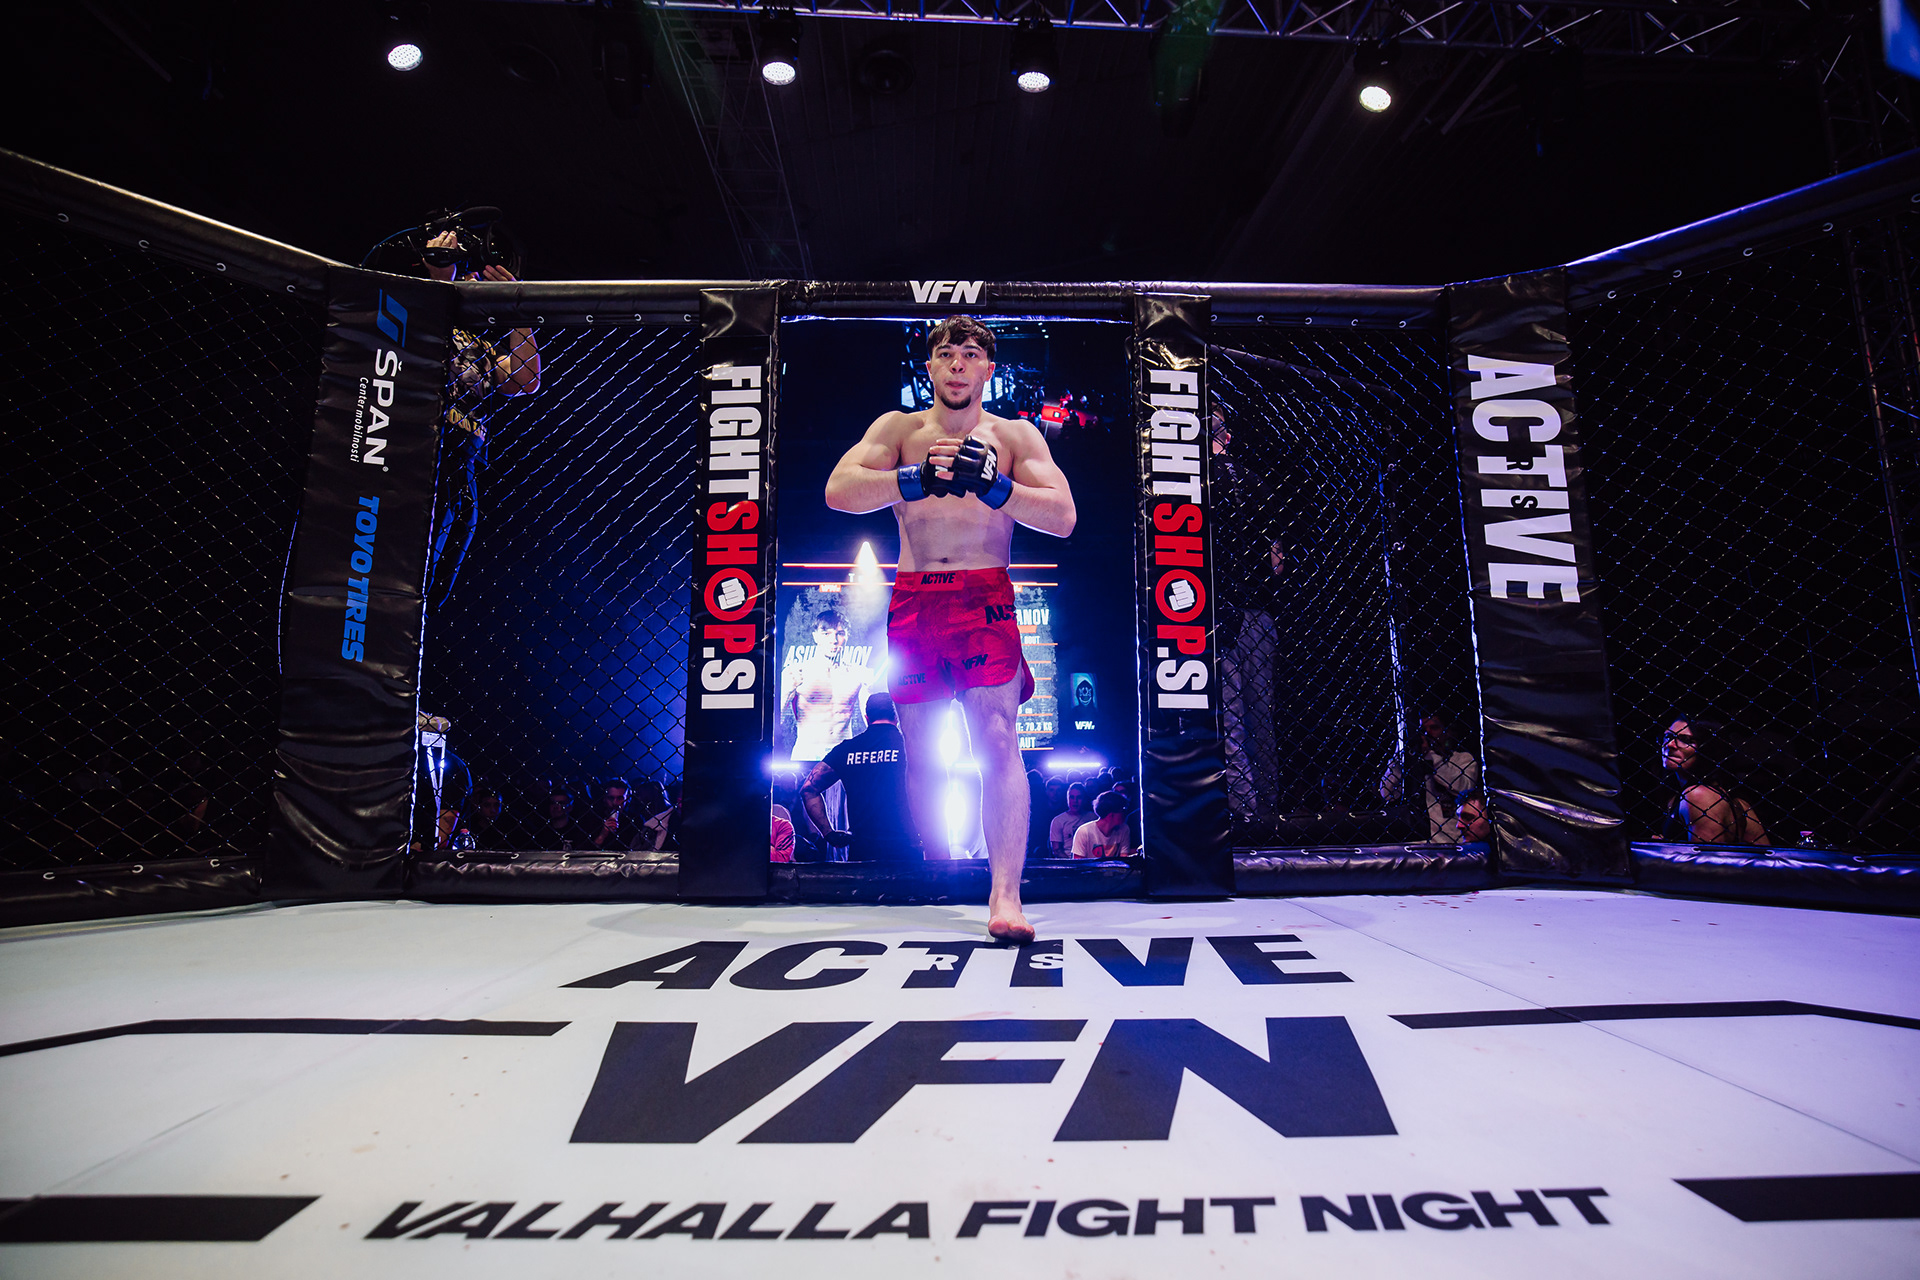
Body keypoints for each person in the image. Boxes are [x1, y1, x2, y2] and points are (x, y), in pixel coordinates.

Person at [824, 316, 1077, 942]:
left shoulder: (1014, 435)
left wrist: (996, 488)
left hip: (983, 597)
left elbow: (1063, 516)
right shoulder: (899, 430)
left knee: (998, 739)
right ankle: (941, 868)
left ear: (988, 368)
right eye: (945, 353)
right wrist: (910, 480)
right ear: (930, 367)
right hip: (916, 601)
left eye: (969, 353)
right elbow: (839, 490)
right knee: (922, 751)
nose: (957, 364)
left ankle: (1005, 894)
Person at [416, 225, 540, 610]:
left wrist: (516, 307)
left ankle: (421, 614)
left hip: (464, 457)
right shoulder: (423, 311)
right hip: (422, 445)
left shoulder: (484, 344)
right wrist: (441, 278)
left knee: (450, 544)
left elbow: (526, 379)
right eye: (469, 274)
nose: (475, 282)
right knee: (418, 539)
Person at [780, 609, 875, 838]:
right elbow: (776, 718)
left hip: (843, 758)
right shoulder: (796, 672)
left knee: (850, 827)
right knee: (809, 834)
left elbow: (870, 720)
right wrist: (787, 691)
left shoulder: (858, 674)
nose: (833, 640)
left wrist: (869, 688)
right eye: (826, 633)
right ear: (815, 636)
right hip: (806, 756)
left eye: (839, 633)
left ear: (846, 636)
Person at [799, 692, 921, 863]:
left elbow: (808, 790)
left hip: (863, 850)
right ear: (896, 717)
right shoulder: (910, 746)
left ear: (866, 718)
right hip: (906, 847)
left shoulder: (847, 749)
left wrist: (829, 833)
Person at [1662, 717, 1770, 845]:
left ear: (1706, 748)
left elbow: (1706, 856)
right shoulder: (1735, 800)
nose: (1670, 744)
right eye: (1668, 737)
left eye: (1685, 740)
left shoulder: (1699, 796)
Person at [1381, 710, 1479, 843]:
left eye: (1434, 728)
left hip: (1451, 841)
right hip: (1416, 842)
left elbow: (1463, 787)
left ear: (1447, 732)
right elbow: (1387, 794)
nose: (1427, 733)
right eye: (1422, 730)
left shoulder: (1462, 759)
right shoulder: (1410, 762)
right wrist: (1400, 757)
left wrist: (1432, 757)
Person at [1071, 790, 1135, 858]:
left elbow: (1124, 858)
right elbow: (1078, 862)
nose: (1125, 813)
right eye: (1123, 810)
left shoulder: (1124, 829)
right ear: (1110, 815)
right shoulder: (1084, 832)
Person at [1048, 782, 1092, 857]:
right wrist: (1071, 862)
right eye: (1072, 797)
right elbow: (1057, 850)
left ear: (1084, 799)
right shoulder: (1058, 821)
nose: (1075, 801)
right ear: (1067, 799)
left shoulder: (1093, 817)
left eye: (1079, 797)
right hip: (1068, 860)